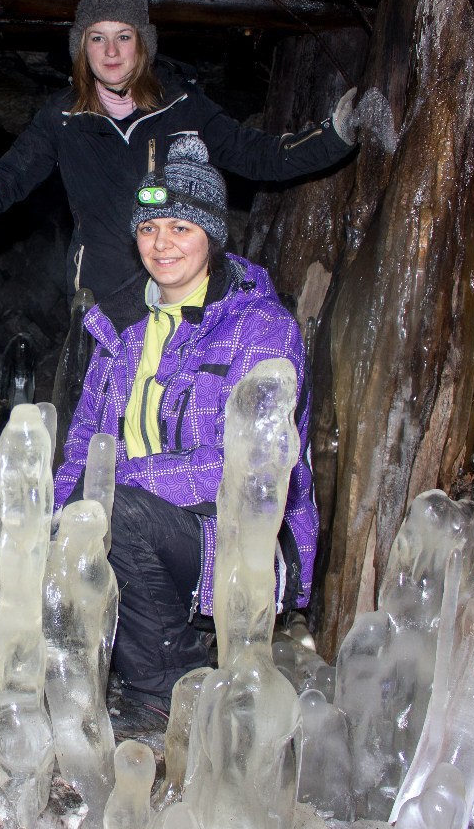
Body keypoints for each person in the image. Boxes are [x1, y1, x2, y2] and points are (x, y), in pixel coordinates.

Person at [52, 134, 318, 712]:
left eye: (181, 229)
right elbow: (82, 447)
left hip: (234, 538)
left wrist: (118, 481)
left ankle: (169, 692)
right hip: (138, 514)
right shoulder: (118, 327)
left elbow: (241, 468)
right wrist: (54, 518)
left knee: (116, 512)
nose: (161, 244)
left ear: (212, 237)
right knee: (73, 521)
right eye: (149, 229)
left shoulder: (259, 329)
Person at [0, 0, 357, 304]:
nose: (111, 51)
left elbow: (261, 156)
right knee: (102, 428)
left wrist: (334, 135)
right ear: (82, 48)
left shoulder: (184, 105)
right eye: (97, 38)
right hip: (101, 300)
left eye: (123, 36)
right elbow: (4, 181)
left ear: (142, 45)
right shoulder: (63, 118)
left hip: (180, 292)